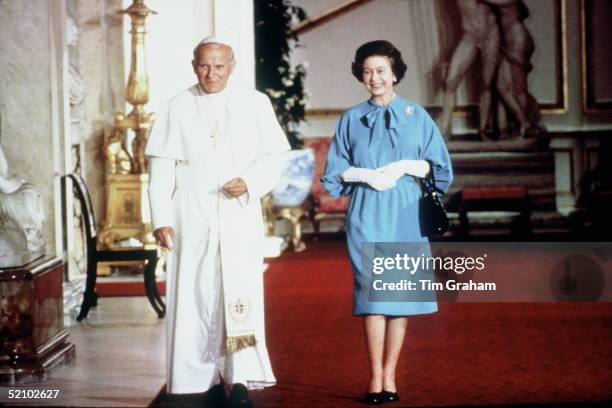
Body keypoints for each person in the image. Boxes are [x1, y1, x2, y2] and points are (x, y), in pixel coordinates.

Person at [145, 36, 290, 407]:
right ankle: (193, 376)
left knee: (238, 291)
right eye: (204, 65)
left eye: (219, 66)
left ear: (232, 66)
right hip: (190, 210)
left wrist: (252, 183)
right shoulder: (177, 106)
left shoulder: (255, 103)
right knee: (192, 292)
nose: (211, 73)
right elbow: (160, 168)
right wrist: (161, 218)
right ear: (194, 65)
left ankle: (239, 375)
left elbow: (273, 158)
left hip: (237, 208)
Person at [321, 40, 453, 405]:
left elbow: (439, 168)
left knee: (401, 298)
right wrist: (363, 174)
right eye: (367, 71)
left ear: (395, 73)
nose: (374, 78)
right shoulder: (351, 118)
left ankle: (390, 375)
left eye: (380, 70)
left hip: (406, 210)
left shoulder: (417, 115)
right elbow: (335, 172)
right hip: (367, 210)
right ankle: (374, 375)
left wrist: (407, 166)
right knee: (373, 295)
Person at [439, 0, 500, 138]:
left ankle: (483, 130)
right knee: (451, 81)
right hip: (470, 35)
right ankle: (444, 129)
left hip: (491, 33)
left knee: (486, 83)